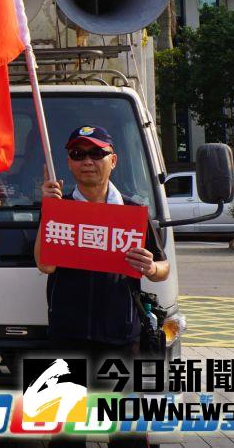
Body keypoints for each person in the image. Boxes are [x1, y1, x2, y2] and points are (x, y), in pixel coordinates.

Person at [36, 125, 168, 445]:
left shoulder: (134, 211)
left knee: (127, 435)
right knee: (65, 435)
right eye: (78, 154)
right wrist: (47, 211)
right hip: (68, 336)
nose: (87, 161)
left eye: (97, 153)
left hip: (120, 338)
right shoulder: (60, 209)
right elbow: (45, 264)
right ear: (69, 163)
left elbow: (163, 268)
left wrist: (151, 267)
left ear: (114, 160)